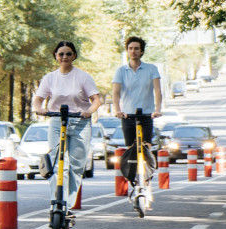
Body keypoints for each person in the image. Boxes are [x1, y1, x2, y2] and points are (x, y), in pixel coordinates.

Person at [31, 40, 102, 212]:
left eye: (68, 53)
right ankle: (56, 203)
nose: (64, 57)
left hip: (79, 122)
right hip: (57, 121)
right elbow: (38, 99)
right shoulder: (49, 78)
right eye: (61, 54)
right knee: (57, 164)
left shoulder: (83, 77)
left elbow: (96, 100)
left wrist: (88, 111)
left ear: (74, 56)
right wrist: (39, 109)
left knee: (76, 166)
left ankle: (67, 205)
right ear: (56, 56)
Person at [111, 36, 163, 193]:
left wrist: (158, 109)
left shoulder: (151, 68)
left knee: (146, 149)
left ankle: (147, 182)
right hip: (128, 116)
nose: (133, 51)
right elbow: (116, 93)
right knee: (131, 150)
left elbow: (158, 91)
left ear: (141, 51)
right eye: (130, 48)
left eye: (136, 49)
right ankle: (134, 181)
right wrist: (117, 110)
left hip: (147, 115)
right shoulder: (121, 70)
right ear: (127, 51)